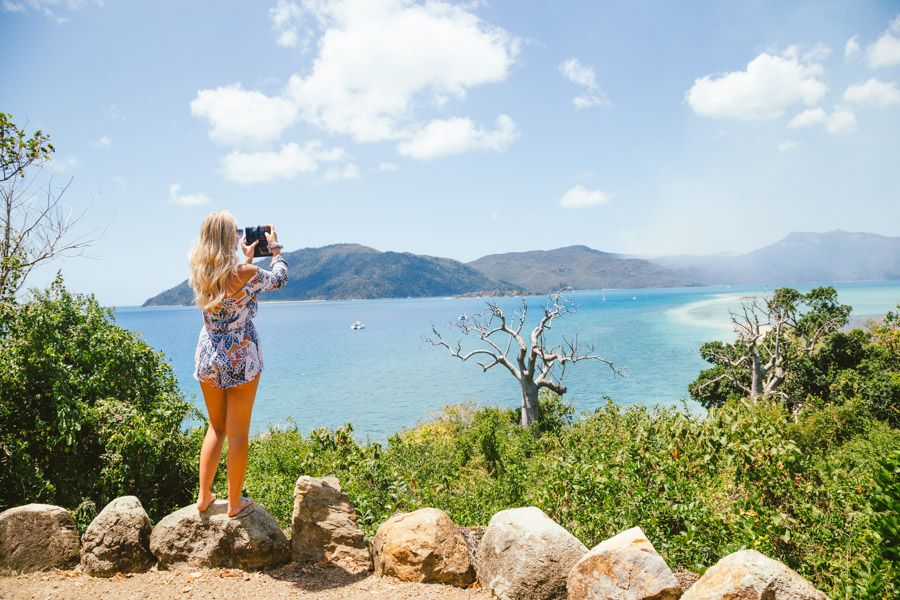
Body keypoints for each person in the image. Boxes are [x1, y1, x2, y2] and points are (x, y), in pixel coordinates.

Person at [187, 210, 288, 517]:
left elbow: (230, 287)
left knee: (215, 427)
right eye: (233, 232)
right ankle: (234, 503)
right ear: (226, 237)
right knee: (238, 432)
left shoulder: (200, 271)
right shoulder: (245, 272)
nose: (238, 237)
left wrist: (247, 260)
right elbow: (279, 279)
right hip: (240, 355)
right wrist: (274, 250)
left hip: (209, 354)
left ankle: (203, 497)